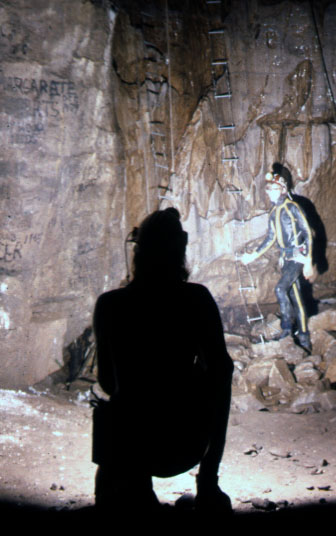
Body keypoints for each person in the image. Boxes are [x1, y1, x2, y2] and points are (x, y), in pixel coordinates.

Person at [92, 207, 233, 514]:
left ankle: (129, 491)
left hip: (129, 444)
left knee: (112, 404)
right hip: (185, 437)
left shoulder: (110, 305)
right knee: (219, 372)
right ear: (179, 252)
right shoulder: (197, 299)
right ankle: (208, 481)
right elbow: (222, 372)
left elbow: (107, 382)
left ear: (138, 253)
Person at [241, 171, 314, 351]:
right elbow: (270, 238)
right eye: (268, 189)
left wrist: (308, 261)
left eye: (274, 189)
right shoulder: (274, 212)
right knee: (296, 297)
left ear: (282, 189)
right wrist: (253, 255)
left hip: (298, 256)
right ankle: (304, 337)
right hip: (286, 258)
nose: (270, 192)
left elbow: (308, 233)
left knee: (281, 289)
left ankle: (287, 329)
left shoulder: (292, 207)